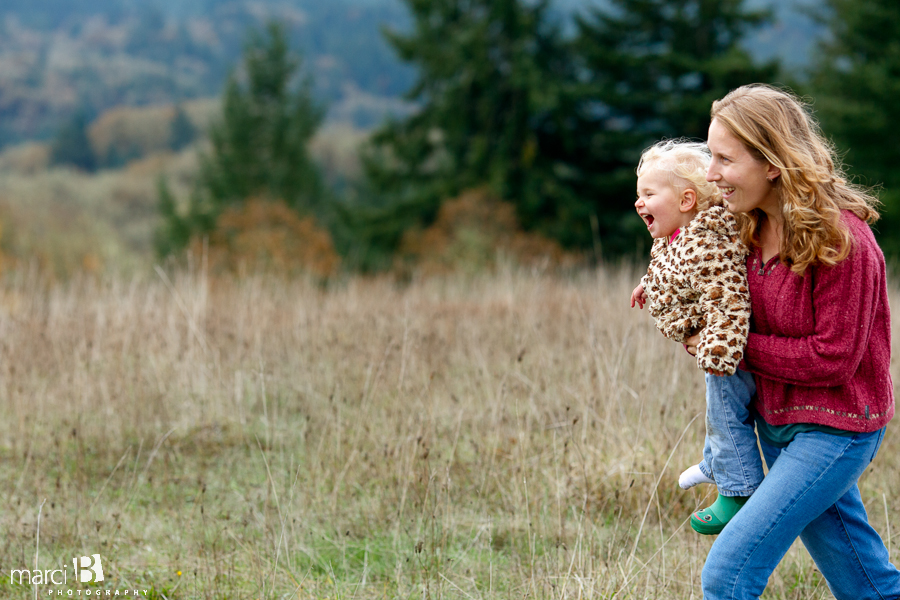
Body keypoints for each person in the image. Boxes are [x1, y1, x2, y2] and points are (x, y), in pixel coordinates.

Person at [689, 83, 900, 599]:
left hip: (836, 429)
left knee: (728, 574)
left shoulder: (842, 242)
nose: (711, 173)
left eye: (723, 159)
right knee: (865, 584)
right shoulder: (740, 229)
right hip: (777, 426)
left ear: (773, 164)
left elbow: (832, 359)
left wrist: (727, 345)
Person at [630, 139, 764, 535]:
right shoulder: (676, 237)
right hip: (711, 346)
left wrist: (715, 350)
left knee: (726, 415)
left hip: (725, 350)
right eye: (638, 194)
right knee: (715, 412)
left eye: (649, 194)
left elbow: (728, 298)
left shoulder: (707, 241)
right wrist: (647, 285)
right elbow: (670, 271)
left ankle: (736, 490)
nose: (639, 203)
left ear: (687, 199)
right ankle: (716, 462)